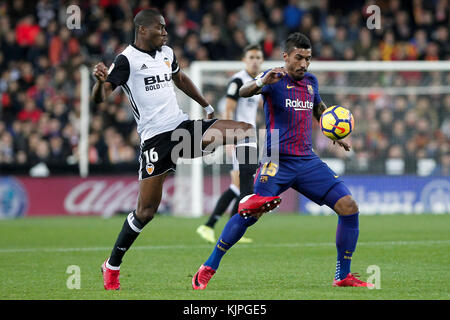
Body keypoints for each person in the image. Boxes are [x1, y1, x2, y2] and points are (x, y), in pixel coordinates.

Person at [91, 9, 281, 290]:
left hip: (182, 130)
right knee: (145, 212)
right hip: (155, 141)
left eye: (166, 28)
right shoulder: (126, 60)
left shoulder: (167, 52)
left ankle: (246, 198)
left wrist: (206, 106)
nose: (165, 33)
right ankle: (112, 264)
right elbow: (101, 96)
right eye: (160, 28)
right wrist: (98, 83)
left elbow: (180, 79)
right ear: (143, 30)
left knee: (244, 130)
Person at [192, 32, 373, 290]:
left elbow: (318, 108)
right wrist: (261, 82)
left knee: (348, 206)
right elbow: (244, 91)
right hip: (276, 161)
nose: (304, 64)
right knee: (249, 214)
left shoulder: (311, 81)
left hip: (307, 160)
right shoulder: (272, 78)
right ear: (285, 56)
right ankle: (208, 266)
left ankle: (342, 275)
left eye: (308, 59)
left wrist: (335, 130)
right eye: (299, 58)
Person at [196, 44, 264, 244]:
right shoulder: (238, 80)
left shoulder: (257, 83)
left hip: (249, 137)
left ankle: (228, 228)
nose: (255, 60)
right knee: (242, 184)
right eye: (251, 57)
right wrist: (229, 137)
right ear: (244, 60)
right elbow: (228, 109)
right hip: (240, 137)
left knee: (239, 185)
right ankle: (212, 225)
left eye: (258, 57)